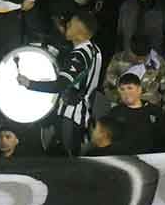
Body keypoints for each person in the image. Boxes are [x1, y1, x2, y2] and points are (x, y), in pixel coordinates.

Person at [17, 11, 103, 155]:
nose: (67, 24)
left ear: (80, 32)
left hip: (70, 117)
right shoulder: (95, 50)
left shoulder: (79, 55)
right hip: (82, 117)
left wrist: (29, 84)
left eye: (71, 23)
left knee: (65, 161)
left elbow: (60, 85)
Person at [106, 72, 165, 154]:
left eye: (130, 88)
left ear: (139, 90)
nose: (126, 93)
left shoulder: (155, 112)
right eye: (122, 89)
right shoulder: (114, 114)